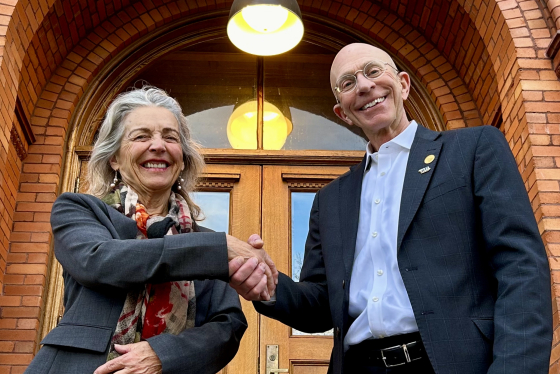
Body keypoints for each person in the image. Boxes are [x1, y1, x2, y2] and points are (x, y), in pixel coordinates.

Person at [229, 43, 553, 374]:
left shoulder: (473, 149)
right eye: (348, 83)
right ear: (343, 112)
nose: (365, 86)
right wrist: (268, 287)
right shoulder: (329, 200)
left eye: (373, 71)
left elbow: (521, 268)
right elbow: (320, 306)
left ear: (403, 84)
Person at [25, 87, 277, 374]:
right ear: (114, 158)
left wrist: (162, 355)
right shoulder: (80, 210)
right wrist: (219, 249)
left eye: (170, 137)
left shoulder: (203, 242)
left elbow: (227, 325)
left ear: (181, 159)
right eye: (141, 136)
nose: (158, 146)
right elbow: (99, 261)